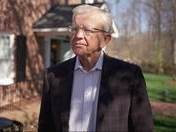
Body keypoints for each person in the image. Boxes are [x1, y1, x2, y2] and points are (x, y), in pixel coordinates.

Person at [38, 4, 153, 132]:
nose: (78, 35)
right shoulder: (53, 76)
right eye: (74, 29)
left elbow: (143, 127)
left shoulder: (129, 76)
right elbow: (45, 126)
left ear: (105, 40)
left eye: (88, 30)